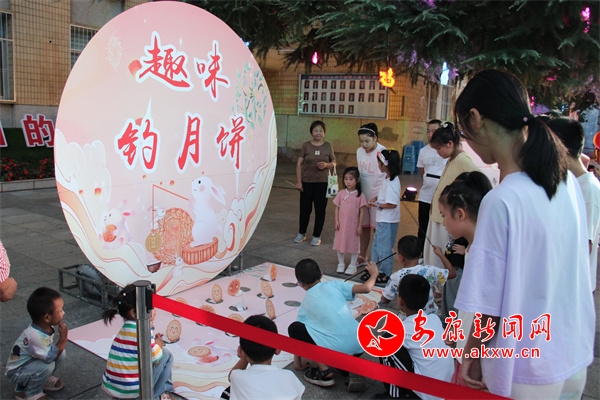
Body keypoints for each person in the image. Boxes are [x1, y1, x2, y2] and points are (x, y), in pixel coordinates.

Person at [453, 69, 594, 397]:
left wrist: (472, 353)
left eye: (462, 130)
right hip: (571, 351)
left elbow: (488, 303)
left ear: (476, 119)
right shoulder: (566, 180)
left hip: (526, 366)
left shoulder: (502, 200)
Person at [431, 171, 492, 386]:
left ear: (459, 214)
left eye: (443, 215)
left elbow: (486, 311)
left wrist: (471, 351)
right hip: (466, 345)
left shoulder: (483, 253)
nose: (443, 223)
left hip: (475, 355)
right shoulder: (473, 247)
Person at [288, 258, 378, 387]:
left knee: (294, 328)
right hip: (360, 344)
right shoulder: (335, 284)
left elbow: (297, 336)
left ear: (300, 283)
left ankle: (324, 370)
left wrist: (298, 365)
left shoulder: (306, 302)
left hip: (335, 351)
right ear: (321, 273)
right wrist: (374, 274)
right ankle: (347, 365)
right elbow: (366, 288)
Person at [545, 116, 600, 292]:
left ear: (561, 147)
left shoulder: (589, 188)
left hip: (574, 288)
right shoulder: (570, 183)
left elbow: (584, 246)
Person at [377, 274, 453, 400]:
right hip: (447, 389)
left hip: (426, 395)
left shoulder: (403, 329)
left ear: (401, 301)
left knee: (386, 341)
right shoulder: (434, 319)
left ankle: (396, 395)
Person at [422, 123, 479, 270]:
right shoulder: (452, 158)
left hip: (446, 217)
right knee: (431, 256)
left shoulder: (462, 160)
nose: (438, 152)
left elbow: (478, 180)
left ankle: (439, 283)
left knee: (439, 259)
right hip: (437, 215)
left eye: (439, 148)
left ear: (450, 144)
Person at [101, 284, 173, 400]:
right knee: (166, 355)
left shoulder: (128, 327)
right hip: (132, 391)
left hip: (114, 387)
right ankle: (157, 395)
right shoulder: (141, 330)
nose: (155, 309)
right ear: (134, 313)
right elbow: (156, 357)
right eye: (151, 306)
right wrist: (158, 344)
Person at [5, 287, 68, 400]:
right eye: (60, 311)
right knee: (47, 366)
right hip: (17, 371)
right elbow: (51, 357)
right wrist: (63, 337)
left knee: (61, 353)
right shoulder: (35, 336)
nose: (63, 313)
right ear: (47, 317)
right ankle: (30, 393)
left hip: (31, 362)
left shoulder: (45, 326)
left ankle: (42, 379)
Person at [226, 315, 305, 400]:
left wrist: (245, 354)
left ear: (240, 351)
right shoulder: (289, 376)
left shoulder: (237, 377)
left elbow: (231, 376)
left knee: (227, 393)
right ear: (277, 349)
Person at [379, 235, 456, 320]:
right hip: (429, 316)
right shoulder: (430, 270)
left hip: (407, 319)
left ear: (400, 257)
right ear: (420, 255)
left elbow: (385, 300)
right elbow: (452, 274)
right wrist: (440, 254)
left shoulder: (396, 276)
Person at [294, 120, 336, 246]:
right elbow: (299, 164)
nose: (318, 133)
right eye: (315, 130)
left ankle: (317, 235)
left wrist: (326, 165)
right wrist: (299, 181)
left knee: (320, 210)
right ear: (311, 132)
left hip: (322, 183)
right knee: (305, 209)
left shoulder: (327, 146)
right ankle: (301, 233)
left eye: (321, 131)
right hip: (307, 182)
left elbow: (334, 162)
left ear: (324, 132)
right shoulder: (306, 146)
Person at [362, 149, 401, 284]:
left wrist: (377, 204)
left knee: (384, 248)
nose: (378, 165)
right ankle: (374, 269)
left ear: (385, 165)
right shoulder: (387, 178)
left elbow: (392, 204)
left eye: (379, 163)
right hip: (382, 219)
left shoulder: (392, 182)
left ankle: (386, 272)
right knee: (376, 245)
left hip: (387, 220)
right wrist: (376, 197)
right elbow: (384, 195)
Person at [356, 123, 387, 263]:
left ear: (375, 138)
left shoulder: (383, 152)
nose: (364, 144)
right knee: (364, 227)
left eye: (367, 141)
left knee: (377, 229)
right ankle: (362, 256)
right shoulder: (359, 151)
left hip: (377, 197)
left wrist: (379, 195)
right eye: (361, 141)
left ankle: (379, 258)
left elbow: (388, 175)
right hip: (363, 196)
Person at [416, 120, 447, 252]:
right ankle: (421, 252)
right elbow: (421, 171)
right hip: (425, 195)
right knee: (423, 225)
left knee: (439, 225)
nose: (430, 134)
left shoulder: (446, 150)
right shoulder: (423, 151)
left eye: (434, 130)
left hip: (442, 195)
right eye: (428, 131)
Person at [334, 167, 368, 275]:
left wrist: (360, 225)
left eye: (351, 179)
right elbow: (337, 208)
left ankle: (353, 264)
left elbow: (362, 211)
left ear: (357, 180)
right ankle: (341, 263)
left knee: (353, 244)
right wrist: (336, 221)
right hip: (341, 224)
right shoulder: (341, 193)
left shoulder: (360, 195)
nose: (348, 182)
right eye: (346, 179)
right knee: (339, 242)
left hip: (353, 225)